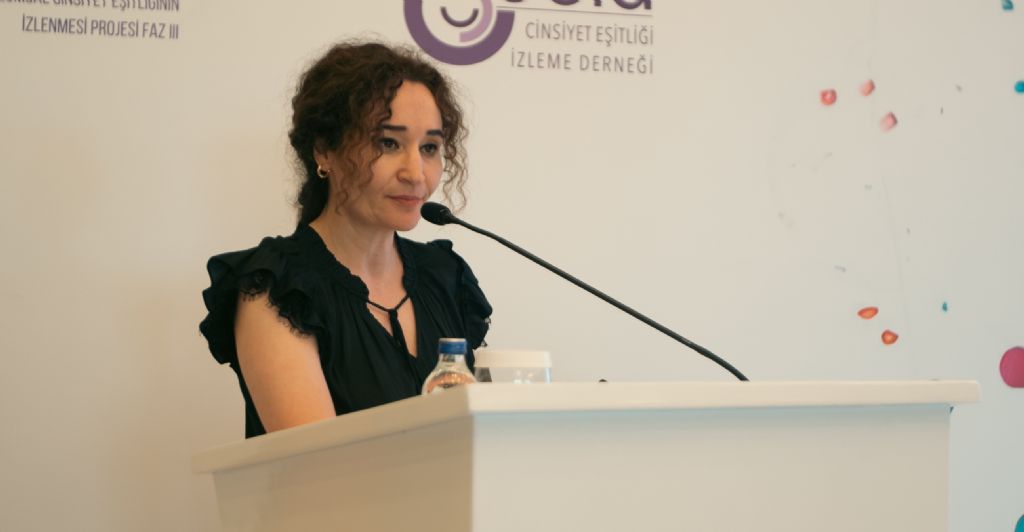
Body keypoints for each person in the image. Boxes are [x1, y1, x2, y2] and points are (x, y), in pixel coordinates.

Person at [199, 41, 492, 438]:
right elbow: (320, 462)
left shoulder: (445, 276)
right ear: (324, 150)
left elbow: (478, 436)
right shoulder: (280, 289)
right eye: (388, 143)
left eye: (429, 148)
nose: (416, 173)